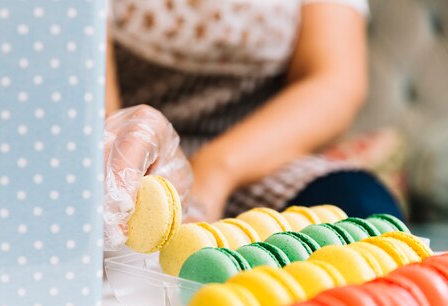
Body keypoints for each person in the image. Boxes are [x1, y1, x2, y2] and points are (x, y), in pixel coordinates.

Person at [103, 0, 404, 250]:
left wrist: (213, 172)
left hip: (259, 149)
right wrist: (120, 166)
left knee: (364, 216)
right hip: (127, 144)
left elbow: (335, 82)